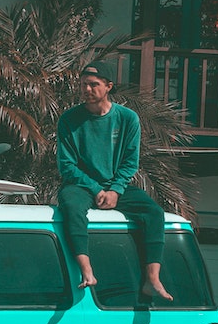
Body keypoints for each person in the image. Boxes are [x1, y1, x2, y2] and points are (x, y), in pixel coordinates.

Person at [57, 61, 172, 301]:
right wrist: (96, 189)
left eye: (93, 85)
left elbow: (130, 162)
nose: (87, 90)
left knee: (153, 212)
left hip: (116, 187)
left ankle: (152, 279)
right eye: (83, 85)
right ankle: (86, 269)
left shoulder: (127, 119)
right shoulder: (69, 119)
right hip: (82, 185)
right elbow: (66, 165)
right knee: (71, 207)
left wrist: (115, 190)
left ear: (108, 86)